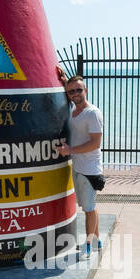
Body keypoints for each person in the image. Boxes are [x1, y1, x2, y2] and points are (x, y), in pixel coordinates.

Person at [57, 76, 103, 253]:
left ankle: (88, 245)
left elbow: (95, 143)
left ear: (86, 91)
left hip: (90, 169)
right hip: (78, 167)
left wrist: (70, 151)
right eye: (71, 91)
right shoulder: (73, 111)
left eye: (79, 90)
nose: (75, 94)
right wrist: (63, 78)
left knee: (89, 209)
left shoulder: (92, 113)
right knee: (89, 207)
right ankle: (97, 241)